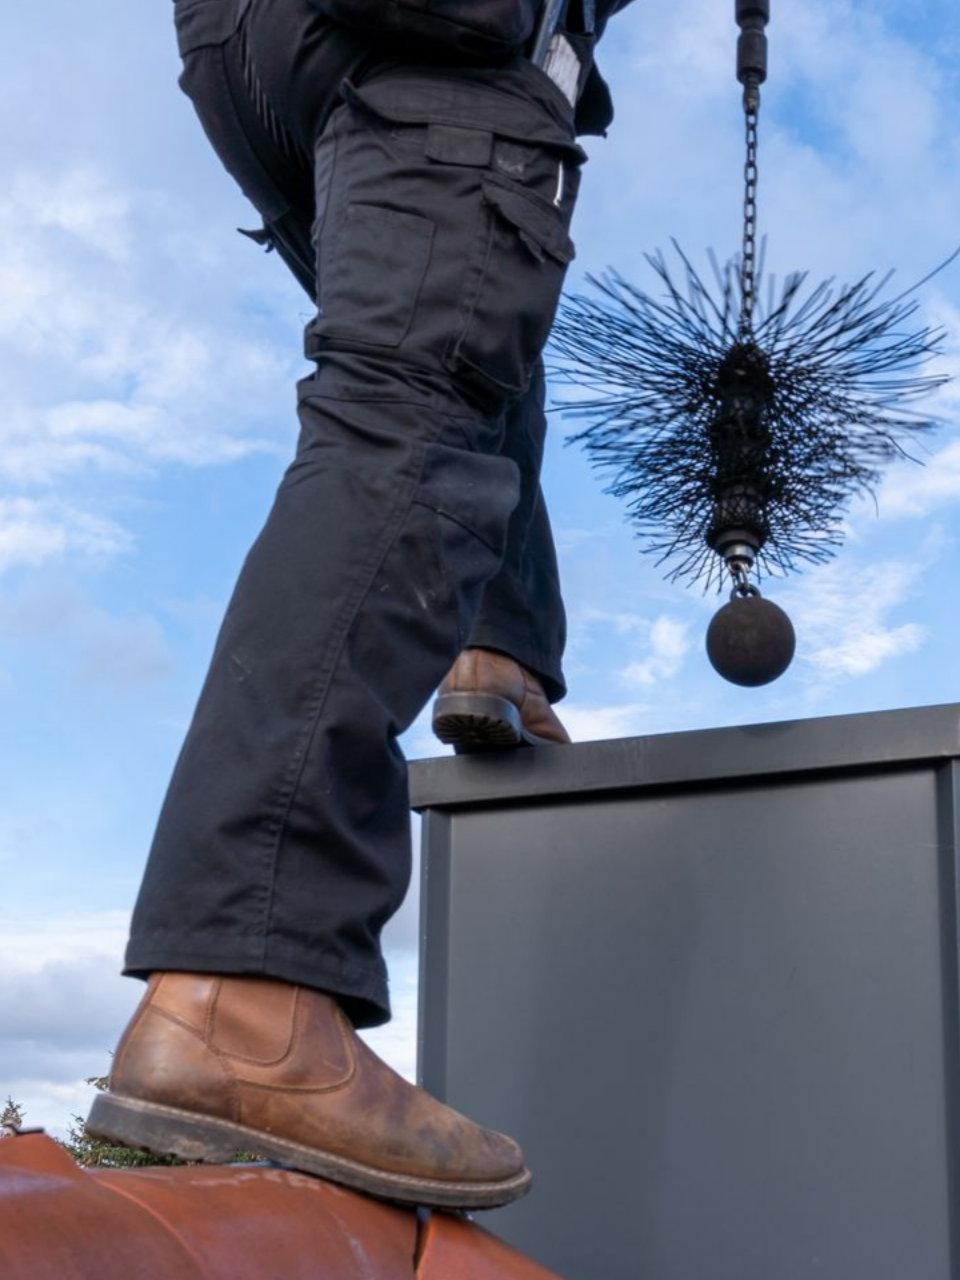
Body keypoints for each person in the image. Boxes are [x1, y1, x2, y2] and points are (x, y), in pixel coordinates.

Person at [89, 0, 632, 1210]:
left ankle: (501, 644)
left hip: (242, 43)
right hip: (438, 26)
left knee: (454, 356)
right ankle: (245, 991)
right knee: (410, 415)